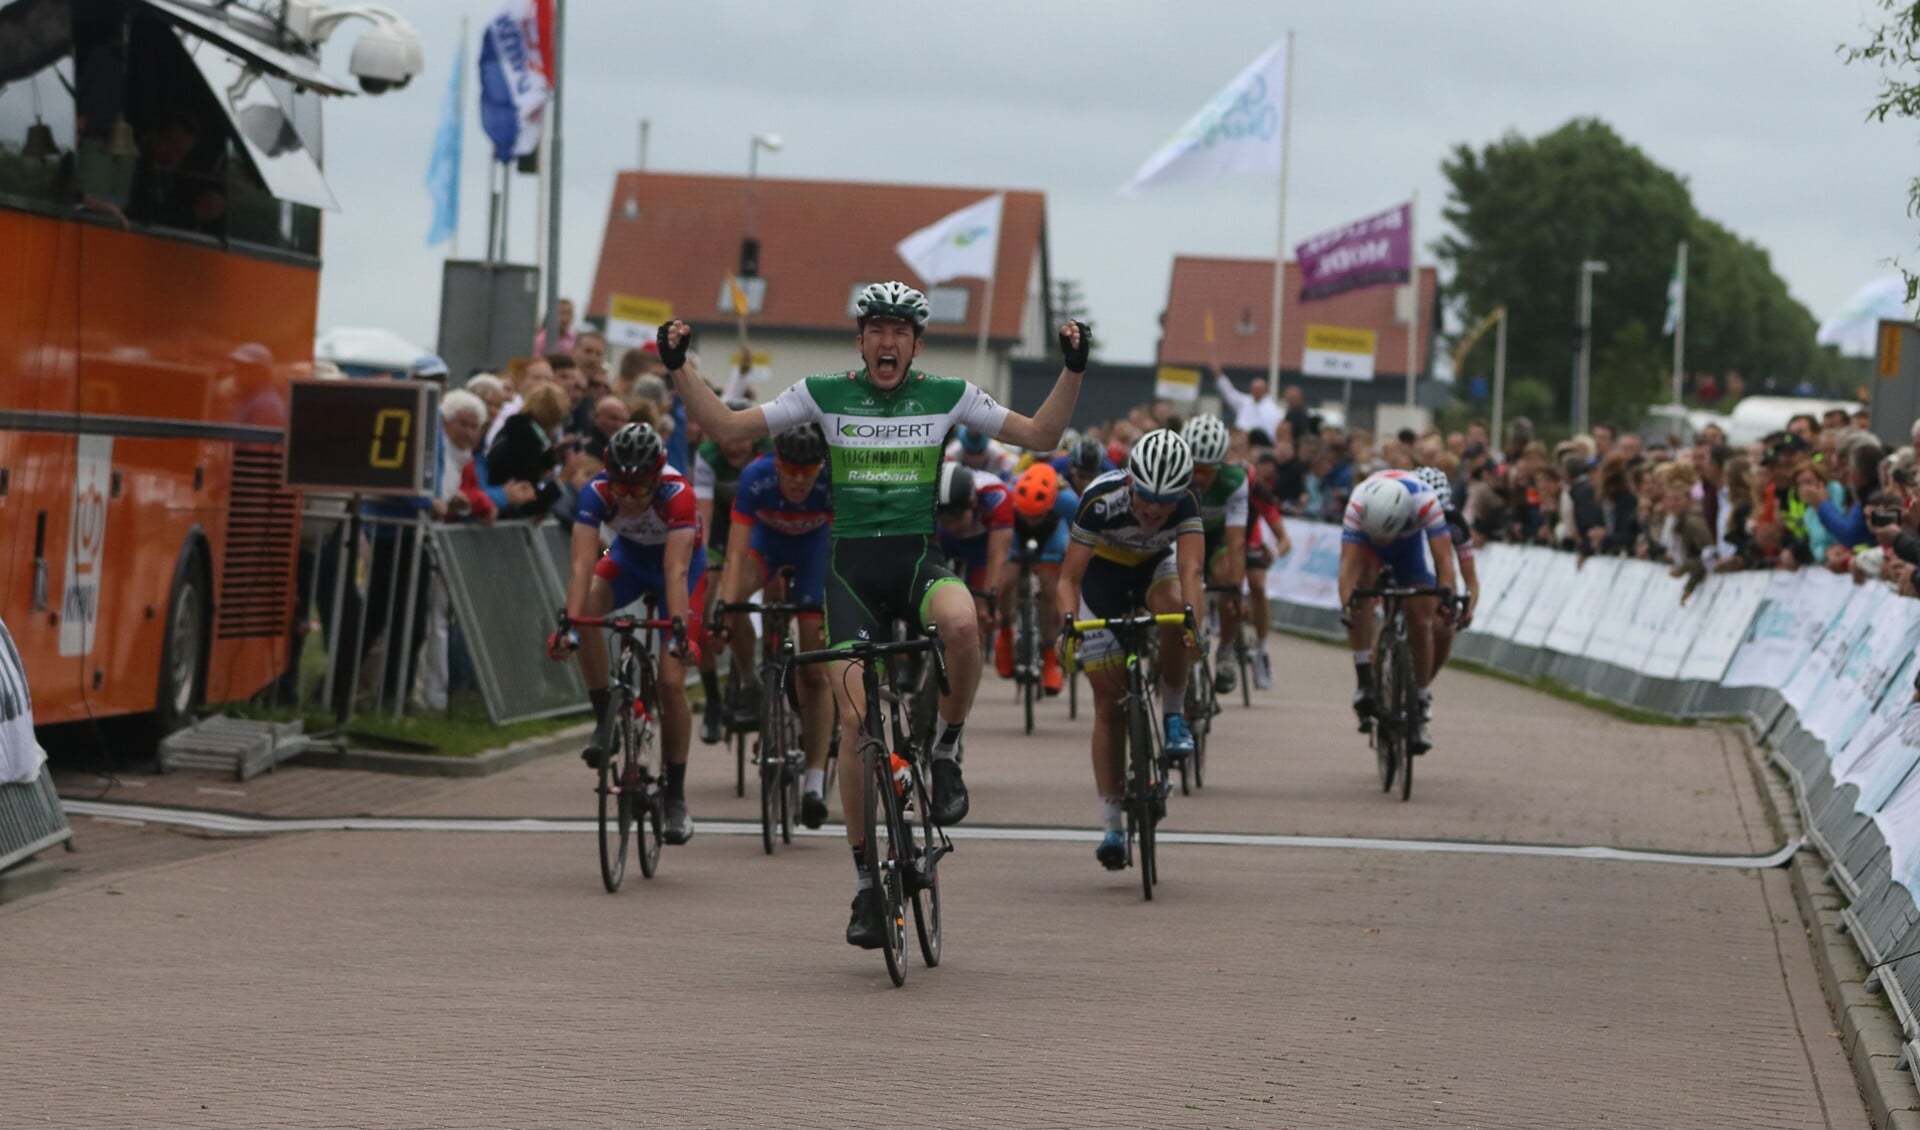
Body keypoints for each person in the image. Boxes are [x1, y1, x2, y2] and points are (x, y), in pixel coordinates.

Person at [659, 282, 1088, 950]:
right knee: (857, 725)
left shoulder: (946, 394)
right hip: (850, 573)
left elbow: (1043, 434)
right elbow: (727, 427)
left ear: (916, 344)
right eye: (876, 330)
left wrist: (1073, 369)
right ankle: (865, 883)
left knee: (966, 624)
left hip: (917, 562)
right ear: (860, 341)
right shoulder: (823, 392)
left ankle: (946, 749)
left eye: (900, 332)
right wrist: (677, 365)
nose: (887, 342)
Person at [545, 423, 703, 846]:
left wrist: (680, 635)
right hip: (628, 560)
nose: (629, 498)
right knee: (587, 612)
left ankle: (676, 796)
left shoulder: (677, 493)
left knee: (671, 684)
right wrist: (569, 627)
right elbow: (582, 565)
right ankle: (604, 719)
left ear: (657, 477)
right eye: (621, 488)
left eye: (640, 489)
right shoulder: (595, 492)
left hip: (679, 567)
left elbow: (677, 570)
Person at [1057, 429, 1204, 871]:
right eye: (1147, 497)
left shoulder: (1187, 504)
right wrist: (1069, 626)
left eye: (1166, 500)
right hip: (1102, 577)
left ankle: (1175, 715)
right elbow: (1069, 579)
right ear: (1130, 484)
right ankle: (1112, 825)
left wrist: (1194, 620)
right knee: (1108, 703)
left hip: (1153, 571)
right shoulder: (1100, 499)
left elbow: (1191, 567)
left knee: (1176, 613)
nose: (1155, 509)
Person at [715, 424, 836, 828]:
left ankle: (814, 783)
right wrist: (726, 605)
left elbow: (844, 546)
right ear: (776, 462)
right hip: (765, 548)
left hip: (814, 553)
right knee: (732, 603)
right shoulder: (756, 477)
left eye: (808, 472)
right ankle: (750, 682)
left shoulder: (834, 479)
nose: (798, 481)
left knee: (815, 671)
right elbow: (735, 550)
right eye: (790, 471)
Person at [1338, 471, 1458, 754]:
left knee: (1422, 616)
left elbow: (1444, 559)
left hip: (1408, 550)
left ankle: (1420, 697)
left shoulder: (1425, 501)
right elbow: (1348, 568)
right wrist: (1347, 603)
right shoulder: (1358, 504)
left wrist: (1446, 595)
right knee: (1360, 595)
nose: (1385, 542)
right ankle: (1365, 678)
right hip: (1366, 549)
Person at [692, 401, 771, 743]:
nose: (734, 445)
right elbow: (704, 516)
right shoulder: (708, 456)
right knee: (707, 606)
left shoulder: (769, 453)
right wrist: (704, 561)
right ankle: (713, 701)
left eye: (742, 438)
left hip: (763, 528)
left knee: (770, 591)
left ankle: (768, 661)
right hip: (723, 532)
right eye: (727, 437)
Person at [996, 462, 1078, 696]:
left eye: (1036, 515)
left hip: (1052, 532)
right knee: (1006, 581)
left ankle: (1050, 657)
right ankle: (1005, 634)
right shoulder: (1006, 493)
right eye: (1027, 514)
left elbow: (1081, 537)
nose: (1032, 520)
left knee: (1049, 589)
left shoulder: (1068, 501)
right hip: (1016, 531)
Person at [1182, 415, 1251, 694]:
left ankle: (1225, 651)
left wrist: (1237, 589)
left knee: (1227, 576)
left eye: (1207, 470)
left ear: (1220, 465)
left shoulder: (1234, 481)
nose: (1199, 476)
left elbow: (1236, 542)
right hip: (1179, 536)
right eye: (1195, 468)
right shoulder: (1175, 473)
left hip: (1216, 538)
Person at [935, 461, 1016, 666]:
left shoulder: (997, 497)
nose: (951, 524)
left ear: (972, 504)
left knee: (978, 619)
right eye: (944, 518)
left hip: (981, 547)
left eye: (955, 517)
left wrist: (990, 602)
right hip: (941, 541)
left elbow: (997, 557)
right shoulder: (926, 495)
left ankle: (968, 675)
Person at [1411, 466, 1477, 683]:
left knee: (1444, 628)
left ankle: (1422, 687)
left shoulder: (1456, 523)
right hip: (1407, 564)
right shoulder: (1402, 513)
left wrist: (1468, 606)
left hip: (1438, 573)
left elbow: (1471, 580)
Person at [1212, 366, 1284, 440]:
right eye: (1253, 389)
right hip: (1238, 438)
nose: (1255, 392)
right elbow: (1230, 393)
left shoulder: (1273, 410)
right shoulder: (1246, 402)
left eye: (1258, 390)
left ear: (1265, 390)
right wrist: (1219, 375)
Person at [947, 426, 1019, 481]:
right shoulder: (955, 451)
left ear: (985, 448)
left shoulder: (995, 451)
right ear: (964, 449)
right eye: (971, 453)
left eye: (979, 452)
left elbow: (1014, 462)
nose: (975, 458)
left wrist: (1007, 472)